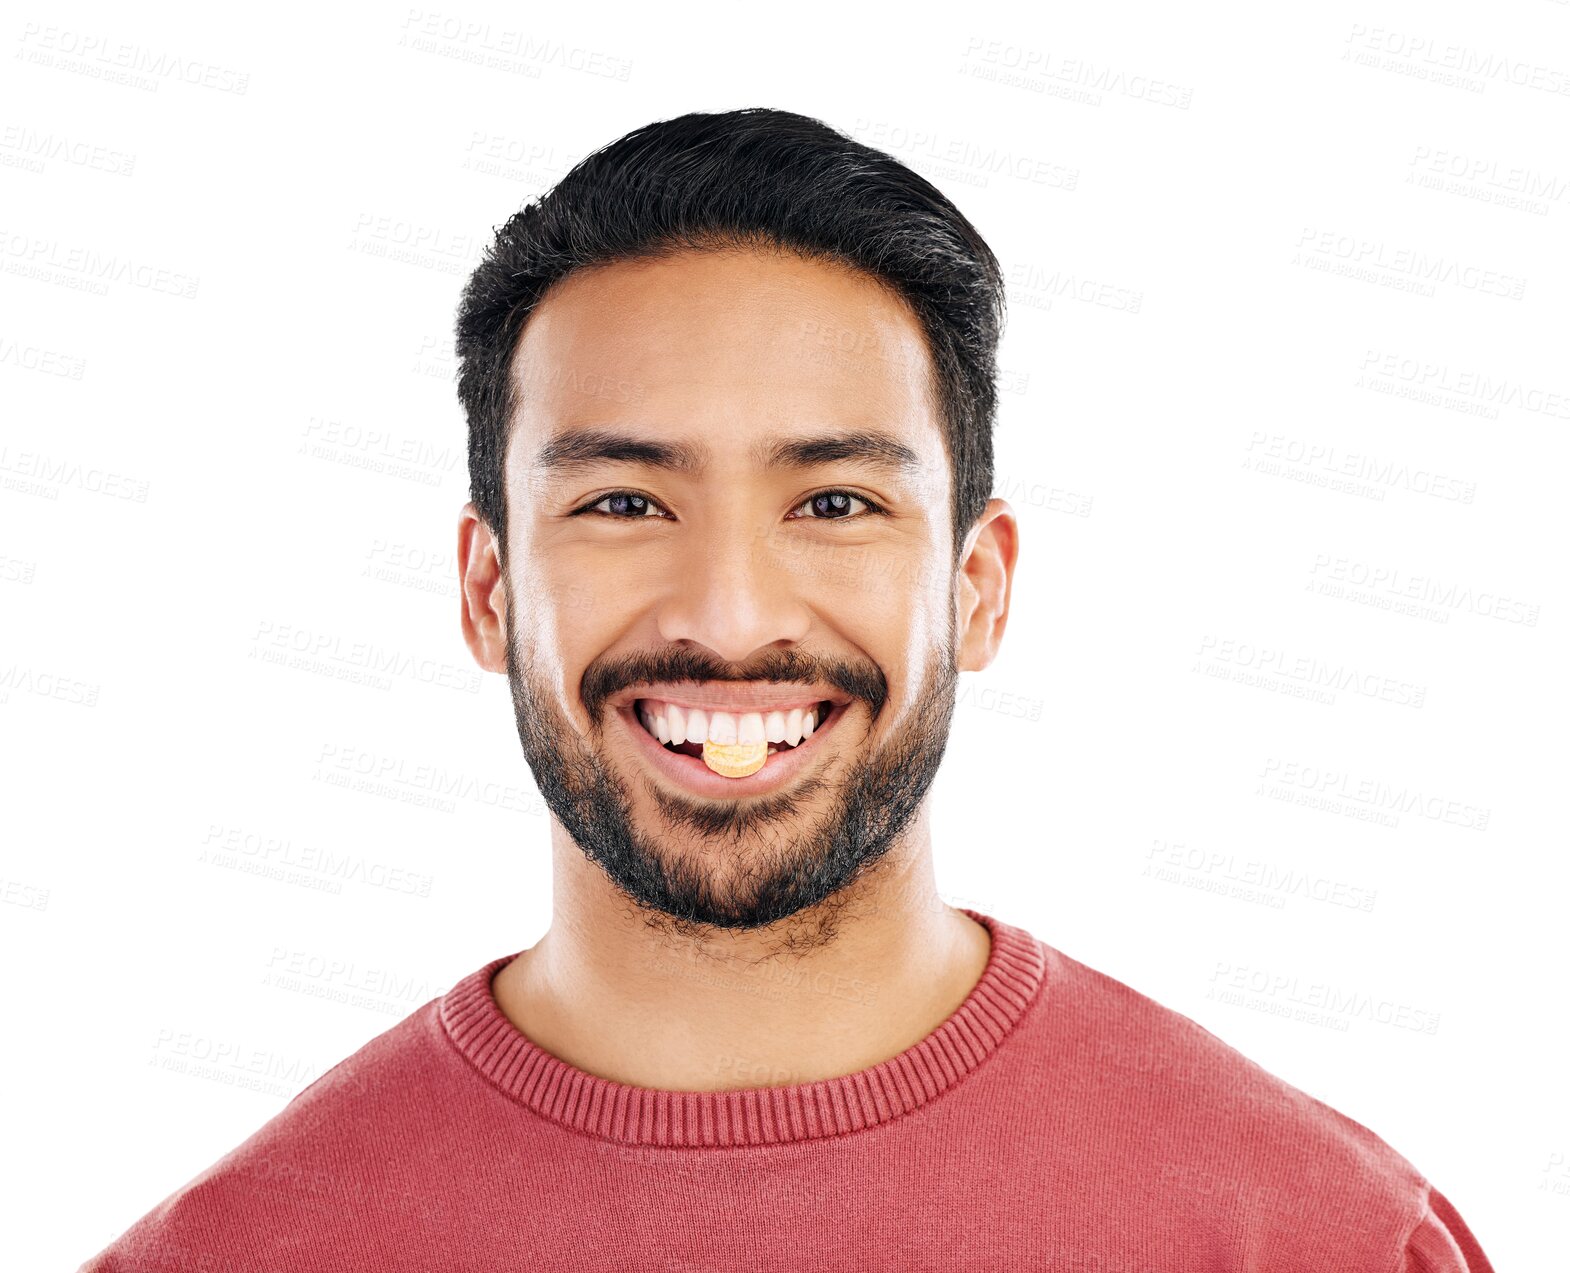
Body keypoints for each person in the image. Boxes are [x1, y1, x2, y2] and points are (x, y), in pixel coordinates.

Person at [81, 107, 1494, 1272]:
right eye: (626, 500)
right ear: (486, 588)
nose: (731, 615)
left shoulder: (1316, 1240)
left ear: (977, 585)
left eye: (831, 501)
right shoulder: (228, 1258)